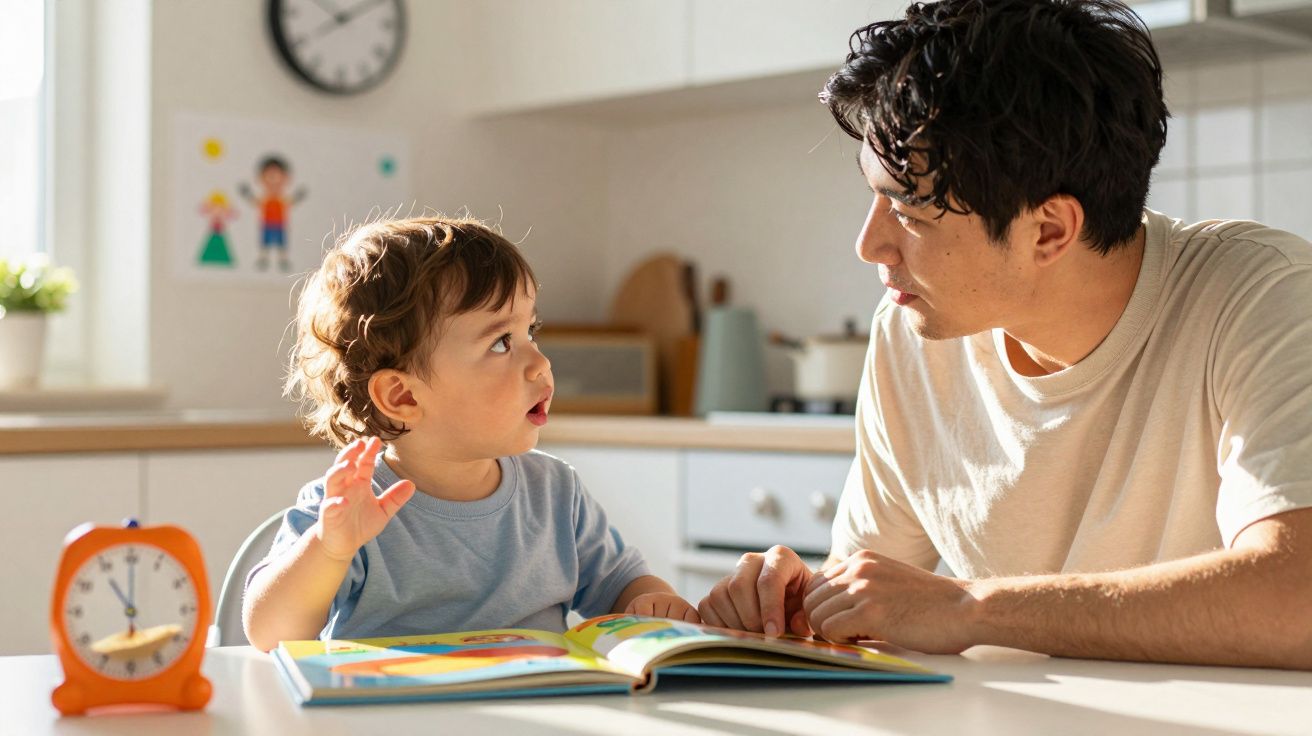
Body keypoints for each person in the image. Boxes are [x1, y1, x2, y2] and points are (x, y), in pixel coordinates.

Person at [698, 0, 1312, 669]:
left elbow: (1296, 601)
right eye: (874, 196)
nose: (869, 245)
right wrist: (798, 603)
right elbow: (874, 616)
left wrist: (970, 608)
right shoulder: (910, 336)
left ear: (1048, 231)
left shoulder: (1267, 297)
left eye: (908, 208)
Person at [243, 216, 698, 652]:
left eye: (530, 332)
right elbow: (269, 633)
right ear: (402, 396)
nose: (541, 362)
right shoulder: (349, 509)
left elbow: (623, 586)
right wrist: (329, 548)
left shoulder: (556, 494)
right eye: (501, 342)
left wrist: (650, 602)